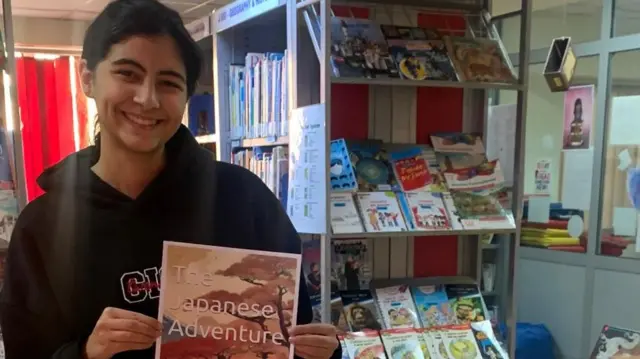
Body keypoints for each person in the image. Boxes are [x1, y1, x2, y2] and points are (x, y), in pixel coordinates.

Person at [0, 1, 339, 358]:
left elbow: (291, 337)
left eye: (168, 82)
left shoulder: (243, 198)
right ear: (87, 78)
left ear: (186, 97)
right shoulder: (42, 228)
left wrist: (324, 352)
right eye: (127, 74)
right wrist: (86, 352)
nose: (147, 99)